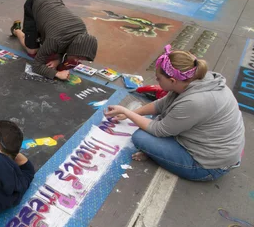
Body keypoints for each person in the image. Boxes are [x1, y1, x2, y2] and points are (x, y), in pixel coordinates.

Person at [105, 45, 245, 182]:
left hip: (208, 166)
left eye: (159, 79)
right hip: (209, 145)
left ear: (172, 80)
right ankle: (159, 151)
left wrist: (126, 112)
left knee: (140, 138)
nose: (156, 81)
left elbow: (158, 129)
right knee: (161, 116)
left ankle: (157, 154)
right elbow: (161, 104)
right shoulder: (195, 80)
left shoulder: (195, 101)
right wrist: (133, 113)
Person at [10, 0, 98, 81]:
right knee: (32, 50)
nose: (76, 61)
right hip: (34, 3)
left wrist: (58, 59)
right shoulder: (55, 40)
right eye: (78, 57)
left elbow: (68, 44)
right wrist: (57, 74)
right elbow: (36, 66)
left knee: (50, 47)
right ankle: (16, 30)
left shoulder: (82, 33)